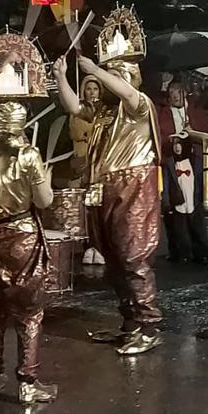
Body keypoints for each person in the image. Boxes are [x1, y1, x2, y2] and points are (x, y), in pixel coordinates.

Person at [53, 49, 163, 356]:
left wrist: (95, 70)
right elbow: (75, 107)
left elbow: (127, 92)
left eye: (114, 77)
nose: (105, 84)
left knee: (133, 256)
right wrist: (61, 77)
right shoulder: (105, 111)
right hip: (105, 186)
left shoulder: (138, 105)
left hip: (133, 186)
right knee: (113, 258)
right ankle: (130, 323)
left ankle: (149, 327)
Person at [0, 101, 57, 403]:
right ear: (22, 123)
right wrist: (45, 180)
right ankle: (27, 381)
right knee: (29, 312)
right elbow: (44, 201)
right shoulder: (27, 154)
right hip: (21, 237)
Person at [156, 81, 208, 265]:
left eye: (179, 92)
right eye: (172, 92)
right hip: (171, 163)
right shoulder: (162, 114)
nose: (175, 95)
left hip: (192, 163)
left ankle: (201, 250)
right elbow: (157, 135)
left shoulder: (194, 112)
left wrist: (192, 130)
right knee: (174, 207)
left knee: (194, 206)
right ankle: (179, 250)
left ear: (185, 93)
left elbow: (207, 133)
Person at [72, 76, 106, 265]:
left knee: (98, 208)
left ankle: (99, 246)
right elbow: (76, 132)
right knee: (85, 209)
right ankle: (89, 246)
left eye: (95, 88)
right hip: (83, 165)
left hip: (99, 165)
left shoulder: (104, 110)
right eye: (88, 88)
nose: (92, 92)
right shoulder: (78, 109)